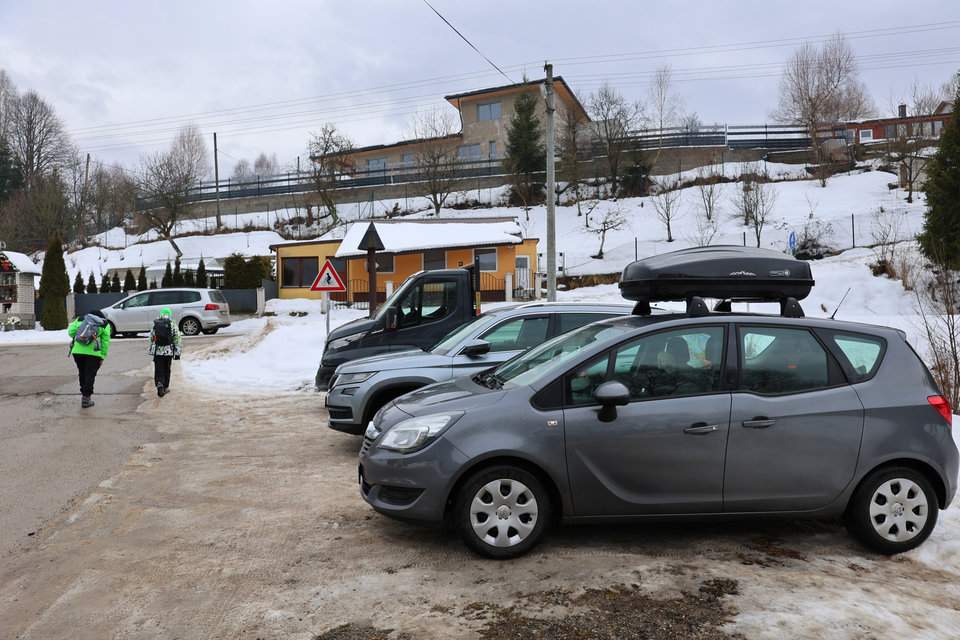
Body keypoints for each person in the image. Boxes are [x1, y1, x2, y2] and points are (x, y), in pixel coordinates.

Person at [67, 310, 111, 409]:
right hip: (94, 353)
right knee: (90, 375)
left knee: (82, 372)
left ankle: (84, 394)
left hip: (77, 352)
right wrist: (103, 356)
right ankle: (86, 398)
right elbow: (105, 341)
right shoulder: (104, 324)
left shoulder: (81, 319)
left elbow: (71, 332)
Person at [148, 307, 182, 397]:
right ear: (169, 314)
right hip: (168, 351)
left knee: (158, 368)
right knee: (167, 368)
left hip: (158, 352)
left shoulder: (155, 324)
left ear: (161, 314)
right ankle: (165, 386)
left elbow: (151, 338)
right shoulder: (172, 324)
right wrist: (177, 352)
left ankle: (159, 383)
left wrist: (151, 349)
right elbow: (177, 338)